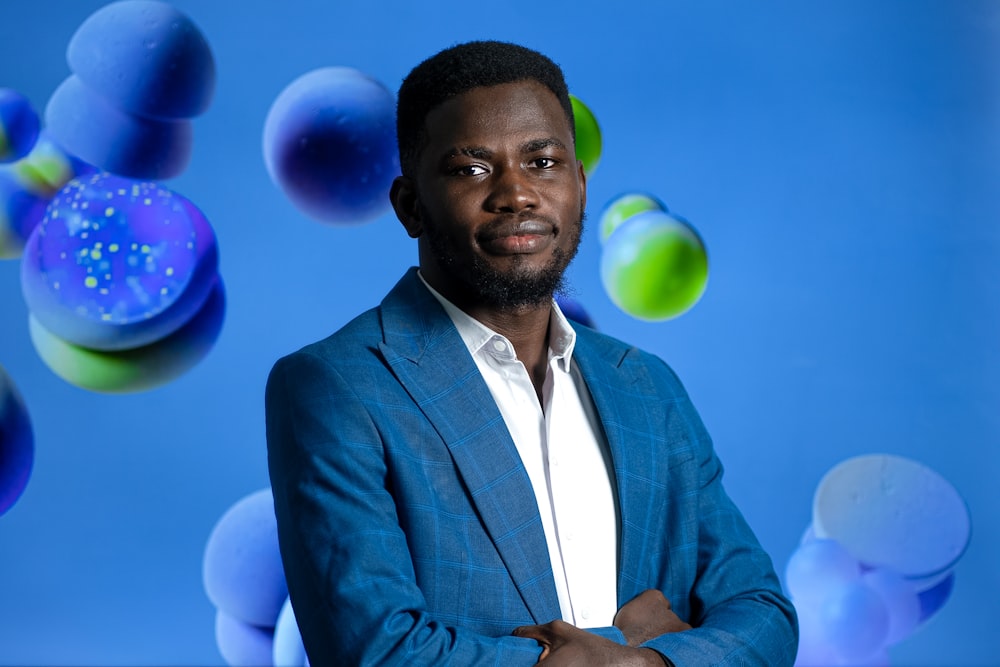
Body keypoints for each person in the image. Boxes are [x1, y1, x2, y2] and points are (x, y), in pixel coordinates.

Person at [265, 40, 798, 666]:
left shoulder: (647, 387)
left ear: (578, 184)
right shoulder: (337, 388)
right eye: (472, 169)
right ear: (410, 205)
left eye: (543, 162)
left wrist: (647, 664)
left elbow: (763, 614)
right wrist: (632, 648)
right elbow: (379, 652)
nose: (516, 194)